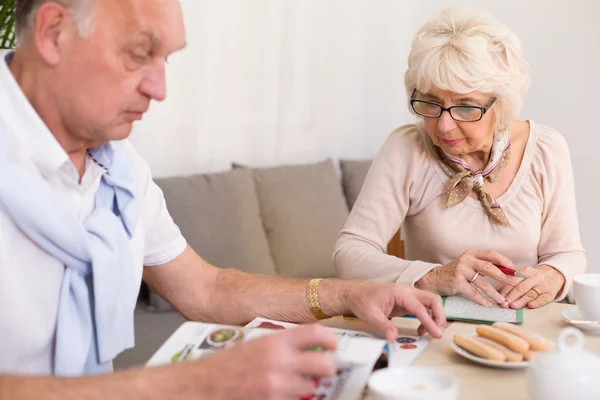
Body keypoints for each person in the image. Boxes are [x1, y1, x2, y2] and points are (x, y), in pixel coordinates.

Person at [0, 0, 446, 398]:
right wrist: (195, 382)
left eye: (165, 60)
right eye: (139, 55)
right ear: (53, 33)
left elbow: (205, 289)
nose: (159, 89)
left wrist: (349, 294)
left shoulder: (120, 169)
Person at [334, 6, 586, 311]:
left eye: (466, 107)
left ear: (502, 104)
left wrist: (553, 276)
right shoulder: (407, 148)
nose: (443, 126)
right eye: (430, 103)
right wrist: (431, 276)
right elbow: (349, 253)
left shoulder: (547, 149)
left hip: (527, 327)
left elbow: (569, 255)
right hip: (435, 323)